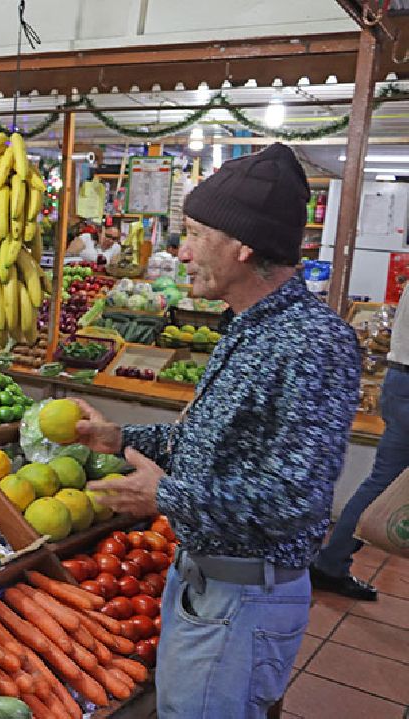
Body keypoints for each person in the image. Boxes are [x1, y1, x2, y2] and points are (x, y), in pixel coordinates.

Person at [74, 143, 361, 718]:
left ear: (242, 245)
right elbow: (213, 445)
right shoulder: (249, 325)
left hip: (245, 598)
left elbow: (296, 501)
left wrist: (165, 495)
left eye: (193, 233)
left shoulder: (311, 343)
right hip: (208, 584)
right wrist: (121, 440)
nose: (180, 253)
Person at [311, 287, 409, 599]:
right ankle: (330, 563)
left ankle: (331, 563)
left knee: (381, 481)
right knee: (382, 481)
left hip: (400, 380)